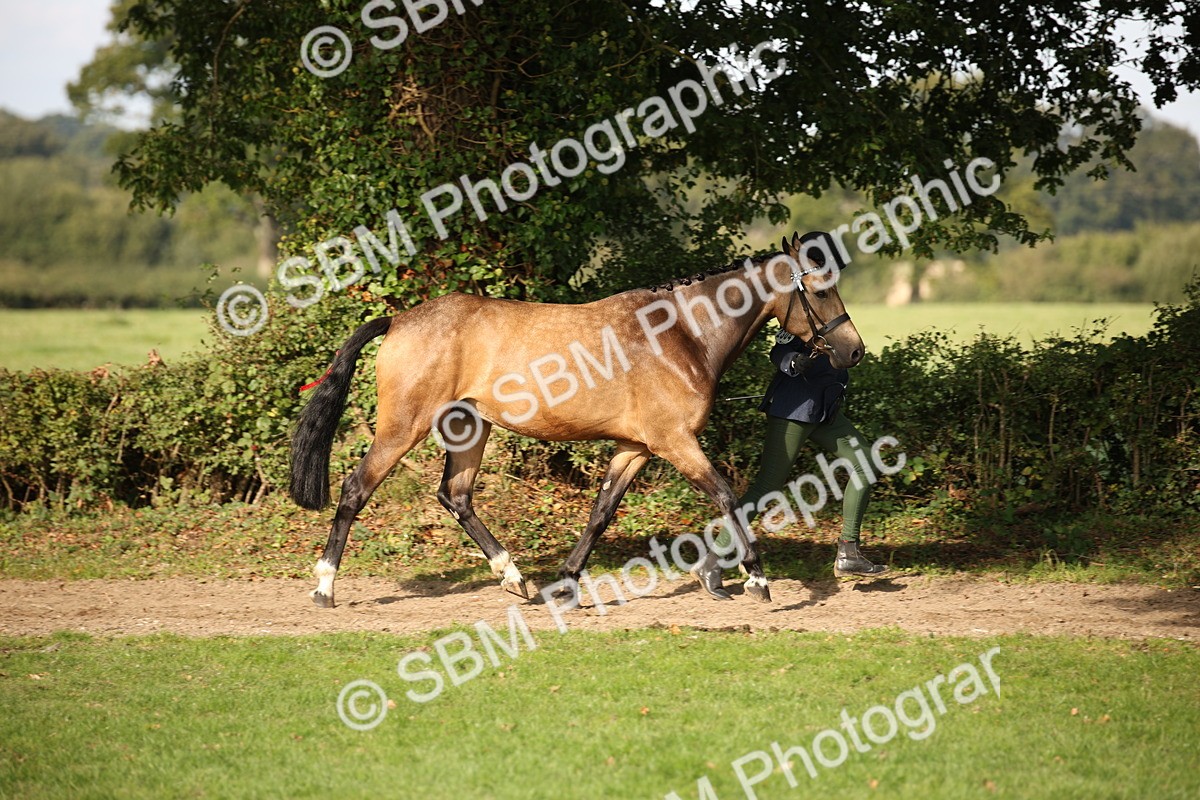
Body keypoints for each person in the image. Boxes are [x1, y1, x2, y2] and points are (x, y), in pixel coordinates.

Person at [691, 233, 887, 600]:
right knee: (766, 488)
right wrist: (792, 361)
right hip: (794, 410)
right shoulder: (800, 300)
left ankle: (848, 550)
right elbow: (778, 350)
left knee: (865, 466)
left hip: (826, 410)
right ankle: (712, 559)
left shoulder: (825, 295)